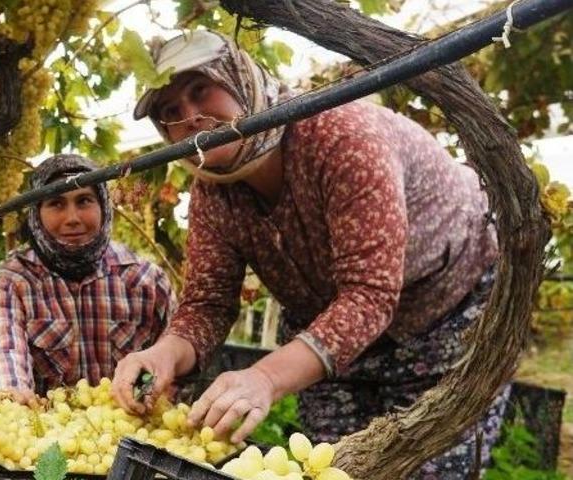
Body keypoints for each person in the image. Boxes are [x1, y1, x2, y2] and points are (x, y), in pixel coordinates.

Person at [110, 30, 506, 477]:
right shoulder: (213, 195)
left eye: (200, 89)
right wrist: (164, 354)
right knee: (334, 468)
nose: (190, 117)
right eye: (170, 112)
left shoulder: (339, 133)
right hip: (329, 342)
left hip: (445, 319)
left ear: (239, 78)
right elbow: (208, 303)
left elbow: (369, 294)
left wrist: (264, 378)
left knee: (432, 469)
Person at [0, 153, 174, 405]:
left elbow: (172, 360)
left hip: (133, 431)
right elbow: (3, 354)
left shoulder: (146, 280)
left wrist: (140, 396)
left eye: (84, 201)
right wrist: (13, 398)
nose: (72, 218)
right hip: (45, 435)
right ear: (36, 213)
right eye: (56, 203)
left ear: (103, 206)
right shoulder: (13, 282)